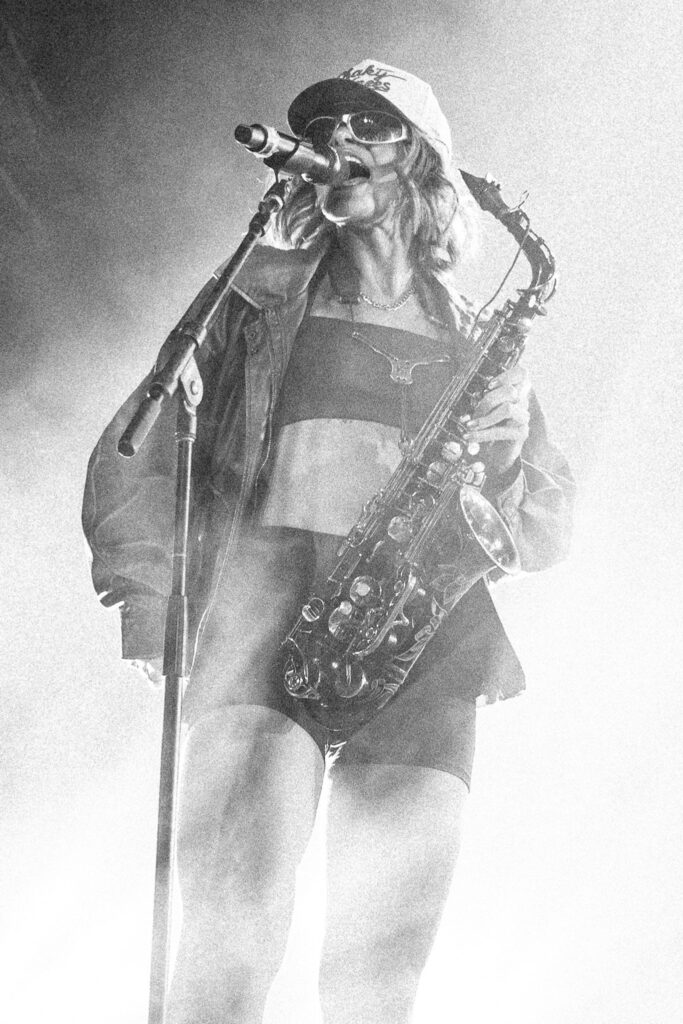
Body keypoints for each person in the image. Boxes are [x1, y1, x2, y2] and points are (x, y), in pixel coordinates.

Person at [83, 59, 574, 1024]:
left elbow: (542, 527)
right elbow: (137, 444)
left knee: (377, 982)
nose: (338, 137)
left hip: (424, 637)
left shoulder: (477, 337)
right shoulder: (256, 298)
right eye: (324, 125)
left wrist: (511, 451)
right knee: (229, 946)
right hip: (266, 607)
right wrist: (149, 600)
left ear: (422, 162)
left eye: (369, 124)